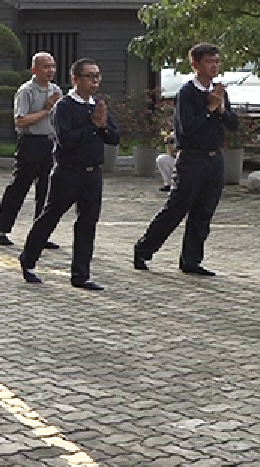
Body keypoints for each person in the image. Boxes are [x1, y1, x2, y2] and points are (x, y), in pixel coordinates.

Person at [134, 43, 239, 276]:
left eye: (217, 61)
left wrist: (220, 109)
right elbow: (187, 128)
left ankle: (191, 260)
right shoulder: (187, 93)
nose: (214, 66)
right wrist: (210, 108)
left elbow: (233, 124)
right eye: (209, 61)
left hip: (214, 158)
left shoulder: (219, 91)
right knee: (176, 208)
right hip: (192, 158)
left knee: (204, 211)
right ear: (196, 64)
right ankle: (143, 249)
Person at [19, 58, 120, 290]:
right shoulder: (64, 106)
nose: (95, 80)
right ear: (75, 79)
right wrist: (93, 126)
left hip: (93, 173)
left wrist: (102, 125)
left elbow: (114, 137)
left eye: (98, 76)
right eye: (90, 76)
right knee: (50, 216)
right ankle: (29, 259)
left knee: (88, 223)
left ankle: (81, 274)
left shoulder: (98, 105)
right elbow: (66, 140)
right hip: (68, 172)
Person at [0, 52, 62, 247]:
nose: (50, 71)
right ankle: (2, 228)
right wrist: (46, 110)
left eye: (52, 66)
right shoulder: (26, 91)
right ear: (35, 69)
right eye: (46, 67)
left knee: (47, 191)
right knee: (19, 187)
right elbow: (20, 121)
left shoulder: (56, 90)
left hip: (50, 142)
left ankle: (41, 234)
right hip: (30, 142)